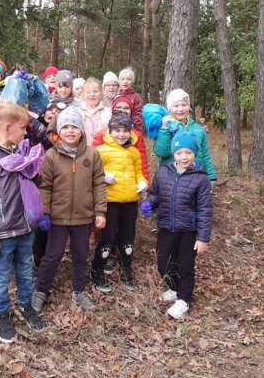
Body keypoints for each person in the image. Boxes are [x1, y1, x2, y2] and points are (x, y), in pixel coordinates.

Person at [0, 100, 46, 343]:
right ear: (7, 127)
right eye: (23, 128)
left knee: (26, 271)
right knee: (1, 276)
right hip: (2, 232)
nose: (26, 132)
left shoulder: (17, 151)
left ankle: (26, 306)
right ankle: (2, 315)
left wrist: (34, 178)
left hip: (25, 228)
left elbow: (23, 184)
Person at [32, 107, 107, 313]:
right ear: (58, 131)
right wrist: (44, 213)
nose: (70, 131)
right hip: (58, 217)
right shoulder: (51, 156)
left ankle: (79, 290)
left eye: (75, 126)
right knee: (53, 254)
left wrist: (100, 212)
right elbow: (44, 186)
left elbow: (99, 184)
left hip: (84, 217)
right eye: (65, 127)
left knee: (81, 254)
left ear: (82, 130)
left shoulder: (92, 155)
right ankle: (40, 290)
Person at [140, 132, 212, 319]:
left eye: (188, 152)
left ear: (194, 154)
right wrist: (150, 203)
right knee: (163, 263)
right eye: (179, 153)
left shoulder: (200, 178)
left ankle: (184, 299)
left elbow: (205, 209)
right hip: (166, 227)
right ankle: (173, 287)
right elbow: (156, 194)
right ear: (173, 154)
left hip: (188, 230)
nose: (184, 157)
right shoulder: (163, 172)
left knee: (185, 266)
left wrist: (202, 238)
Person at [91, 113, 147, 292]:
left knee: (128, 237)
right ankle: (97, 271)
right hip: (110, 201)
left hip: (130, 201)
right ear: (110, 131)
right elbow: (92, 174)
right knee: (107, 237)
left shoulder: (134, 151)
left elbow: (138, 171)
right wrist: (103, 176)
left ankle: (125, 270)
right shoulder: (101, 151)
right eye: (117, 130)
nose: (121, 135)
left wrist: (142, 182)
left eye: (125, 131)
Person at [153, 89, 217, 184]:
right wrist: (165, 128)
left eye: (184, 105)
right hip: (170, 180)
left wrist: (211, 177)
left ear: (189, 106)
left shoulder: (199, 129)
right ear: (169, 108)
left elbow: (206, 154)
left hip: (195, 179)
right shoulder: (164, 128)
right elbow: (161, 152)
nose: (180, 109)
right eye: (176, 106)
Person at [77, 77, 111, 146]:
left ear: (101, 93)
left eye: (95, 91)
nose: (92, 94)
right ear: (83, 94)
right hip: (83, 151)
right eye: (88, 92)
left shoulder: (108, 112)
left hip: (102, 150)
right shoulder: (77, 112)